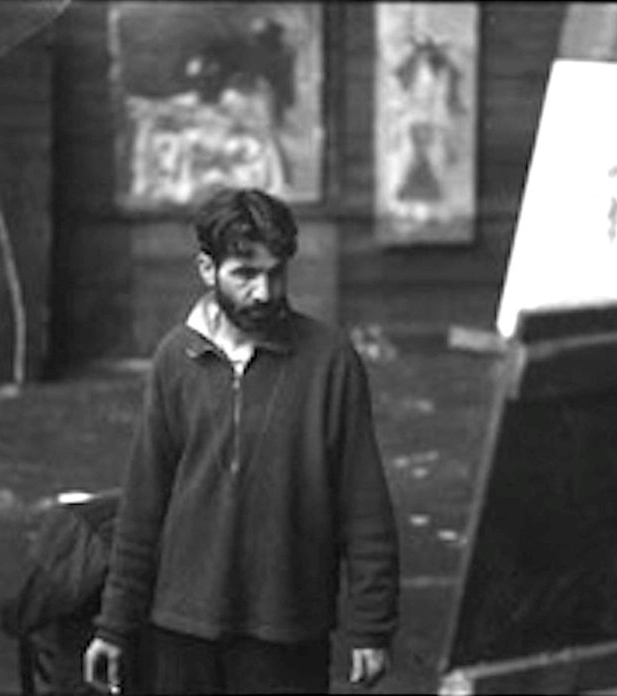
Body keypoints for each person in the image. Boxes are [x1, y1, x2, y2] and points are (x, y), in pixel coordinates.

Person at [83, 187, 400, 694]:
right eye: (245, 274)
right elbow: (143, 504)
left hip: (287, 627)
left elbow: (364, 505)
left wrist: (371, 626)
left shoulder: (330, 361)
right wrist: (114, 626)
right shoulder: (175, 359)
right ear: (207, 269)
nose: (264, 292)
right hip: (181, 627)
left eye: (276, 272)